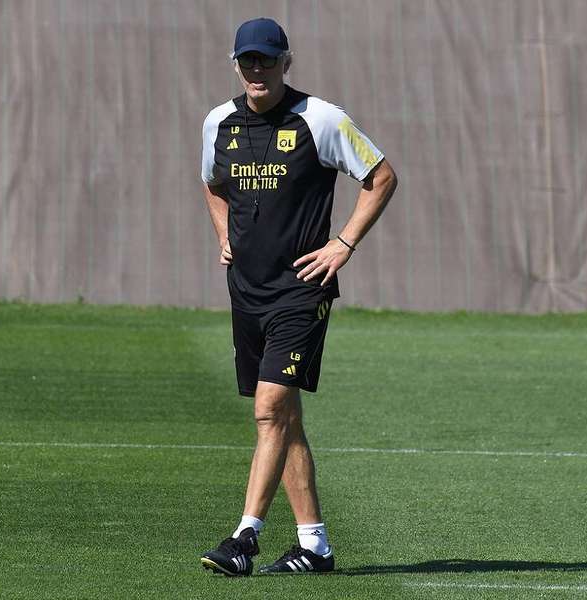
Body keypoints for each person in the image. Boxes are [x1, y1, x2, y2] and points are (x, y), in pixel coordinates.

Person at [199, 17, 398, 576]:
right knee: (284, 416)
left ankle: (244, 537)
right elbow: (213, 183)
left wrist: (343, 243)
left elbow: (380, 176)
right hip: (247, 291)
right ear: (236, 64)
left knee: (269, 411)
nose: (256, 70)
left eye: (267, 59)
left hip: (300, 290)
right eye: (247, 61)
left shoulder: (321, 119)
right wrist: (223, 235)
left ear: (287, 62)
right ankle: (315, 546)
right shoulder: (220, 122)